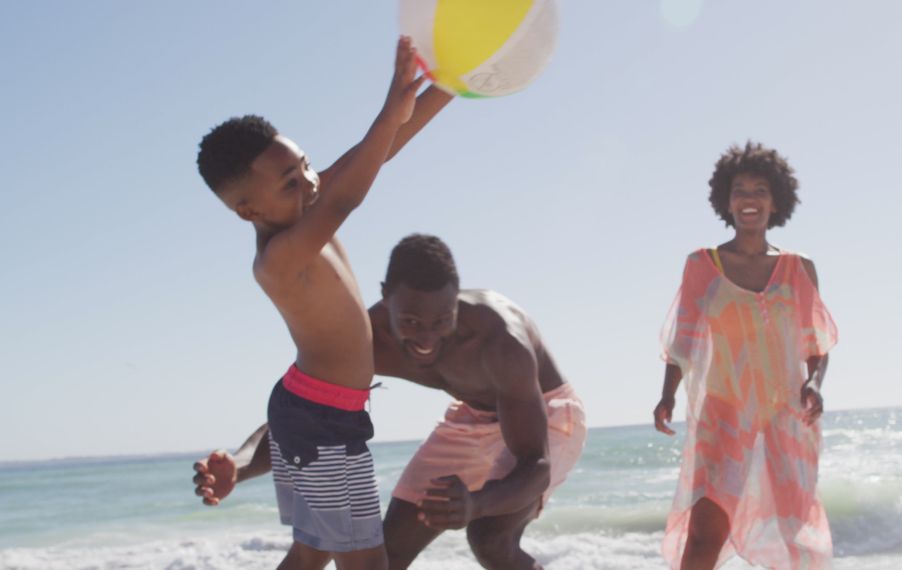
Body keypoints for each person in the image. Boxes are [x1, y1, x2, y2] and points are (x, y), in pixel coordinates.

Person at [194, 37, 451, 569]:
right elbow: (345, 196)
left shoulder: (303, 203)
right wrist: (387, 109)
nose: (310, 181)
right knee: (365, 562)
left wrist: (457, 83)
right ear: (247, 211)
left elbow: (383, 149)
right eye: (291, 180)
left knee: (310, 553)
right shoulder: (281, 257)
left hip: (311, 411)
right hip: (322, 427)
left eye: (307, 165)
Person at [193, 234, 587, 570]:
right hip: (472, 416)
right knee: (385, 556)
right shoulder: (364, 341)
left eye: (441, 322)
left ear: (456, 299)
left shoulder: (500, 343)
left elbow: (535, 465)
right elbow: (305, 415)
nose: (427, 339)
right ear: (386, 298)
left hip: (546, 413)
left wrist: (475, 503)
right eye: (412, 322)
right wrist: (242, 464)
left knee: (488, 535)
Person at [652, 142, 838, 569]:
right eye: (740, 190)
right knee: (704, 534)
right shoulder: (704, 264)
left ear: (776, 202)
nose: (749, 199)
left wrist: (813, 383)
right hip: (725, 412)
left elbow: (817, 344)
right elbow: (683, 340)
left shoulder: (798, 268)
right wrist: (667, 396)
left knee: (797, 538)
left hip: (786, 415)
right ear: (726, 200)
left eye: (759, 190)